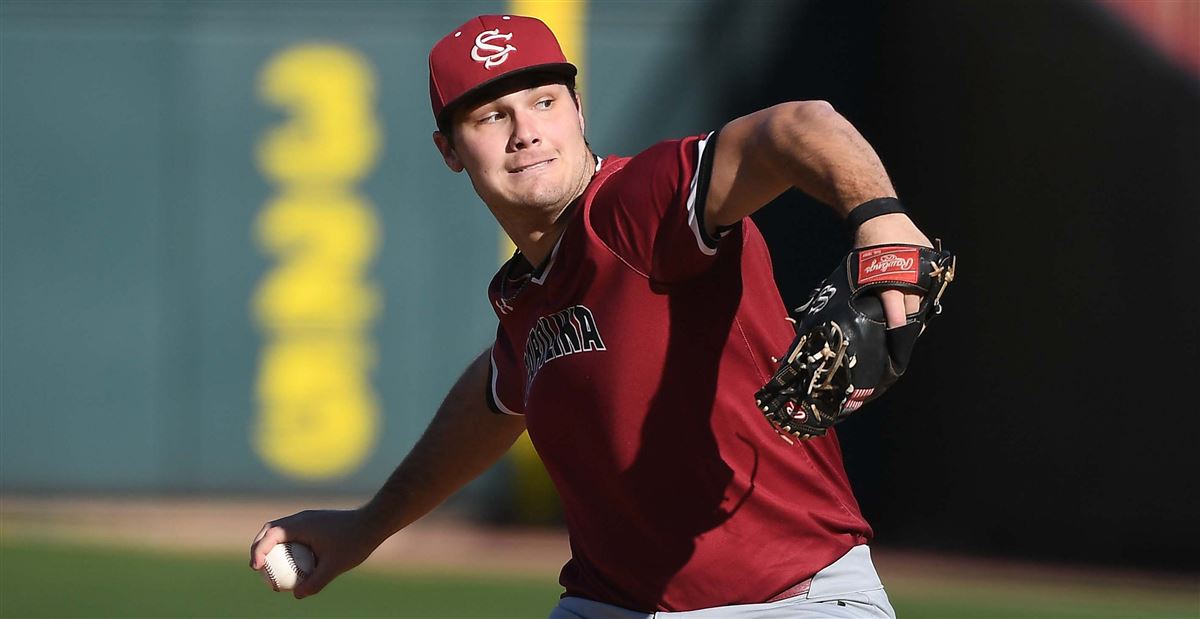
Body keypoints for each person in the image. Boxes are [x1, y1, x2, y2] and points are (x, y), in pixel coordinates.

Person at [250, 14, 933, 618]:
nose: (526, 133)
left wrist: (881, 220)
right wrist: (363, 528)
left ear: (577, 109)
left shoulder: (640, 205)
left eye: (543, 101)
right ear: (450, 151)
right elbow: (496, 396)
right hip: (612, 602)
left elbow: (798, 124)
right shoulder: (526, 296)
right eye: (492, 116)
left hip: (785, 597)